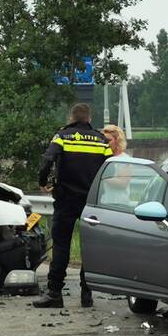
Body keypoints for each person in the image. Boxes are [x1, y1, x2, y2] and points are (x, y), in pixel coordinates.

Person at [33, 103, 112, 309]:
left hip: (66, 200)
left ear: (72, 117)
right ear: (89, 117)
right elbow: (110, 170)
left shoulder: (63, 136)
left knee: (61, 246)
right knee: (89, 248)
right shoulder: (101, 140)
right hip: (91, 202)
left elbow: (47, 159)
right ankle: (87, 295)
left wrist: (43, 182)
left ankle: (54, 293)